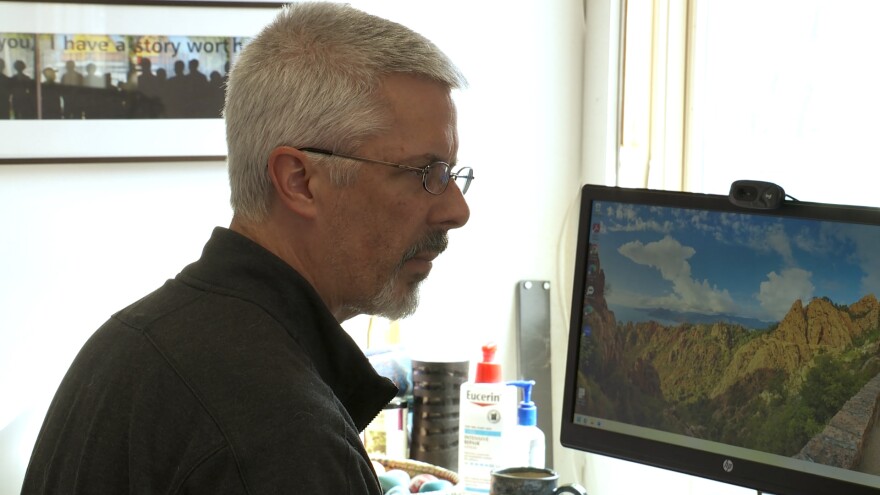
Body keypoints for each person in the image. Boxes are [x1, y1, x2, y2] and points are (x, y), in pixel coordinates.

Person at [21, 2, 472, 494]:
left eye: (451, 172)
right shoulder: (282, 435)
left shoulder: (137, 336)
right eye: (426, 173)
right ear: (299, 181)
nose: (456, 210)